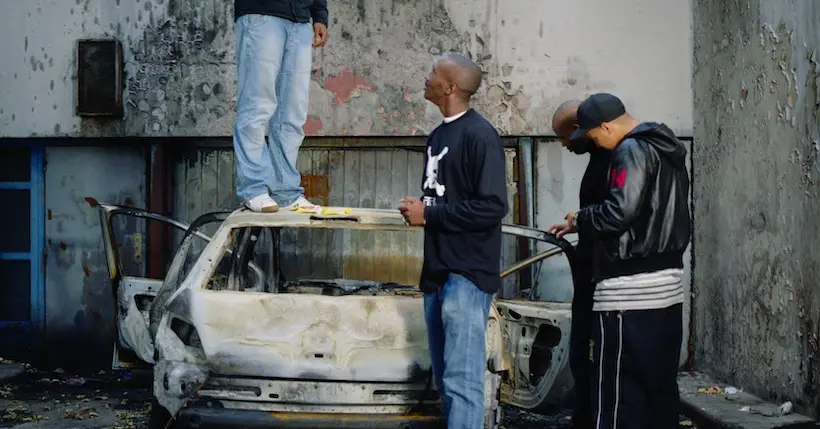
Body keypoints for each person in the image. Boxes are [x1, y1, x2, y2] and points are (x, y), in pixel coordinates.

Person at [549, 93, 691, 429]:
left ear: (607, 126)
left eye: (593, 135)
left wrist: (582, 219)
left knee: (616, 392)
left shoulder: (629, 149)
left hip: (627, 292)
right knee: (658, 387)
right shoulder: (666, 147)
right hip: (666, 286)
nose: (592, 142)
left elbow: (618, 213)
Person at [398, 52, 508, 429]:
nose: (425, 77)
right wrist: (423, 207)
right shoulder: (439, 135)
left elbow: (493, 207)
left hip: (467, 276)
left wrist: (430, 214)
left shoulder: (481, 136)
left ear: (449, 87)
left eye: (433, 73)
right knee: (447, 382)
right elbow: (446, 201)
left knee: (462, 382)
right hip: (437, 275)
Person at [232, 0, 329, 212]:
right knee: (256, 106)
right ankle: (253, 188)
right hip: (261, 14)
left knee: (292, 113)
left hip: (300, 19)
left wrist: (319, 14)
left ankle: (286, 192)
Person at [551, 99, 611, 429]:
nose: (563, 145)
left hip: (603, 278)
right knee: (580, 354)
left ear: (578, 131)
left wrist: (583, 219)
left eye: (563, 138)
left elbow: (618, 213)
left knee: (589, 354)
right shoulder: (599, 158)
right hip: (591, 272)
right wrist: (578, 225)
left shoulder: (616, 156)